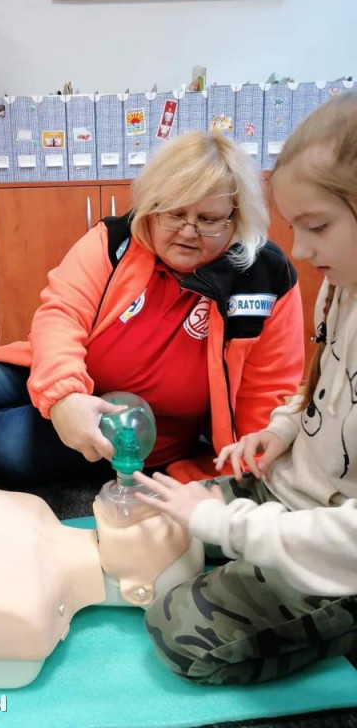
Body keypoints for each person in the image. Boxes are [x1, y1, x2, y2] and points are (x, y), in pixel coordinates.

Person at [133, 91, 357, 685]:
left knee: (175, 628)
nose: (303, 251)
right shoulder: (342, 283)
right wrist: (281, 431)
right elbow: (316, 383)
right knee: (153, 528)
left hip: (342, 550)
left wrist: (228, 528)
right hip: (294, 494)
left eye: (317, 227)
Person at [0, 131, 304, 487]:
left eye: (209, 219)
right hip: (62, 371)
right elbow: (61, 314)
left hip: (138, 425)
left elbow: (268, 394)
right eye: (175, 213)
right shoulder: (114, 240)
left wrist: (240, 475)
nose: (189, 232)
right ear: (151, 207)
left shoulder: (265, 279)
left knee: (2, 442)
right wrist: (65, 398)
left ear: (235, 220)